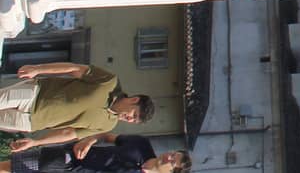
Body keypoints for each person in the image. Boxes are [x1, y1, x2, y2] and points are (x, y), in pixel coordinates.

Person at [0, 64, 152, 147]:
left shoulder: (107, 125)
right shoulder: (109, 82)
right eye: (134, 115)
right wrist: (38, 69)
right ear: (134, 100)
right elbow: (74, 69)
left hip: (32, 122)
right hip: (35, 94)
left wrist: (36, 142)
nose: (130, 120)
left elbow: (69, 134)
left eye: (134, 121)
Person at [0, 135, 190, 173]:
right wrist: (89, 140)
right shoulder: (141, 144)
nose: (169, 157)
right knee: (10, 168)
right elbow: (106, 135)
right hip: (69, 158)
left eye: (173, 162)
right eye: (173, 154)